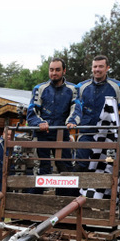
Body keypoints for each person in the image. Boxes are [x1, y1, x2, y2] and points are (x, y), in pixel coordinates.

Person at [74, 55, 120, 171]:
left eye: (101, 66)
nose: (97, 69)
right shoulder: (82, 87)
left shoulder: (117, 86)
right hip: (86, 133)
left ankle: (106, 189)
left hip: (109, 135)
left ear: (107, 68)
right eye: (95, 66)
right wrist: (73, 121)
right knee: (81, 165)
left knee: (107, 166)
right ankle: (80, 189)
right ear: (91, 68)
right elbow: (75, 108)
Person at [26, 57, 79, 192]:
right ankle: (36, 201)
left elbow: (76, 108)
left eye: (57, 70)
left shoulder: (72, 89)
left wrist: (72, 121)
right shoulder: (39, 89)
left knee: (65, 167)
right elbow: (31, 112)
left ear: (64, 71)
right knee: (42, 167)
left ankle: (65, 200)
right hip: (42, 134)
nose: (54, 73)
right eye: (51, 70)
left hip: (62, 133)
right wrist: (39, 122)